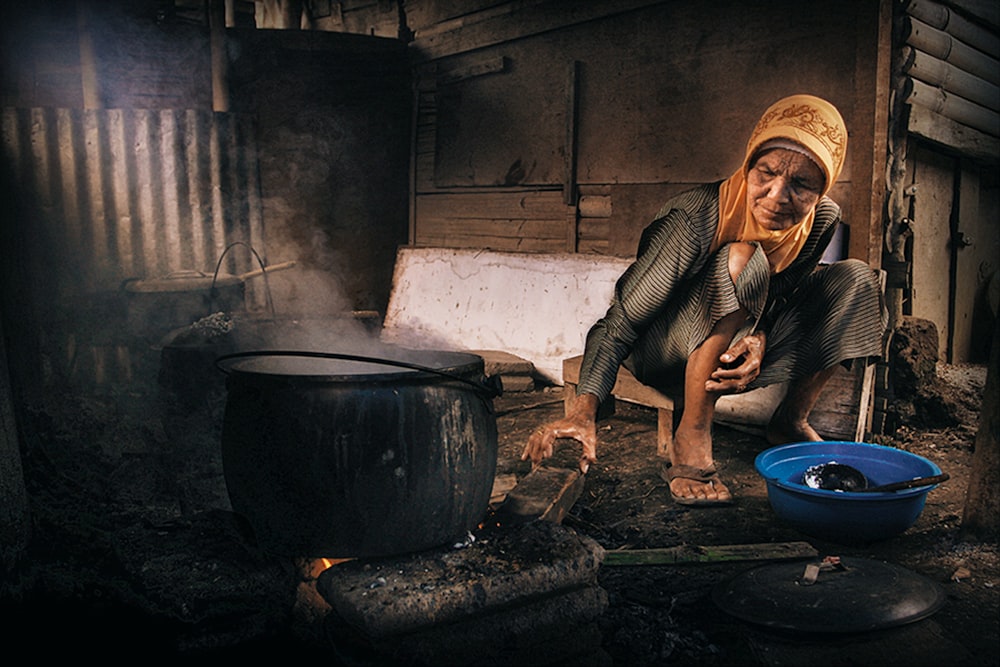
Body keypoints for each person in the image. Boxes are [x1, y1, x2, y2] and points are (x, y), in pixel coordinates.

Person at [522, 94, 888, 506]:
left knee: (856, 279)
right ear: (748, 164)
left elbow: (783, 294)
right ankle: (691, 434)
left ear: (824, 186)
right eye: (765, 173)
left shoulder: (820, 219)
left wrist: (761, 335)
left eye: (802, 184)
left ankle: (790, 420)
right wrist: (583, 412)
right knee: (742, 258)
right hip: (663, 353)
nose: (777, 196)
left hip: (735, 351)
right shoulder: (694, 219)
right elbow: (619, 324)